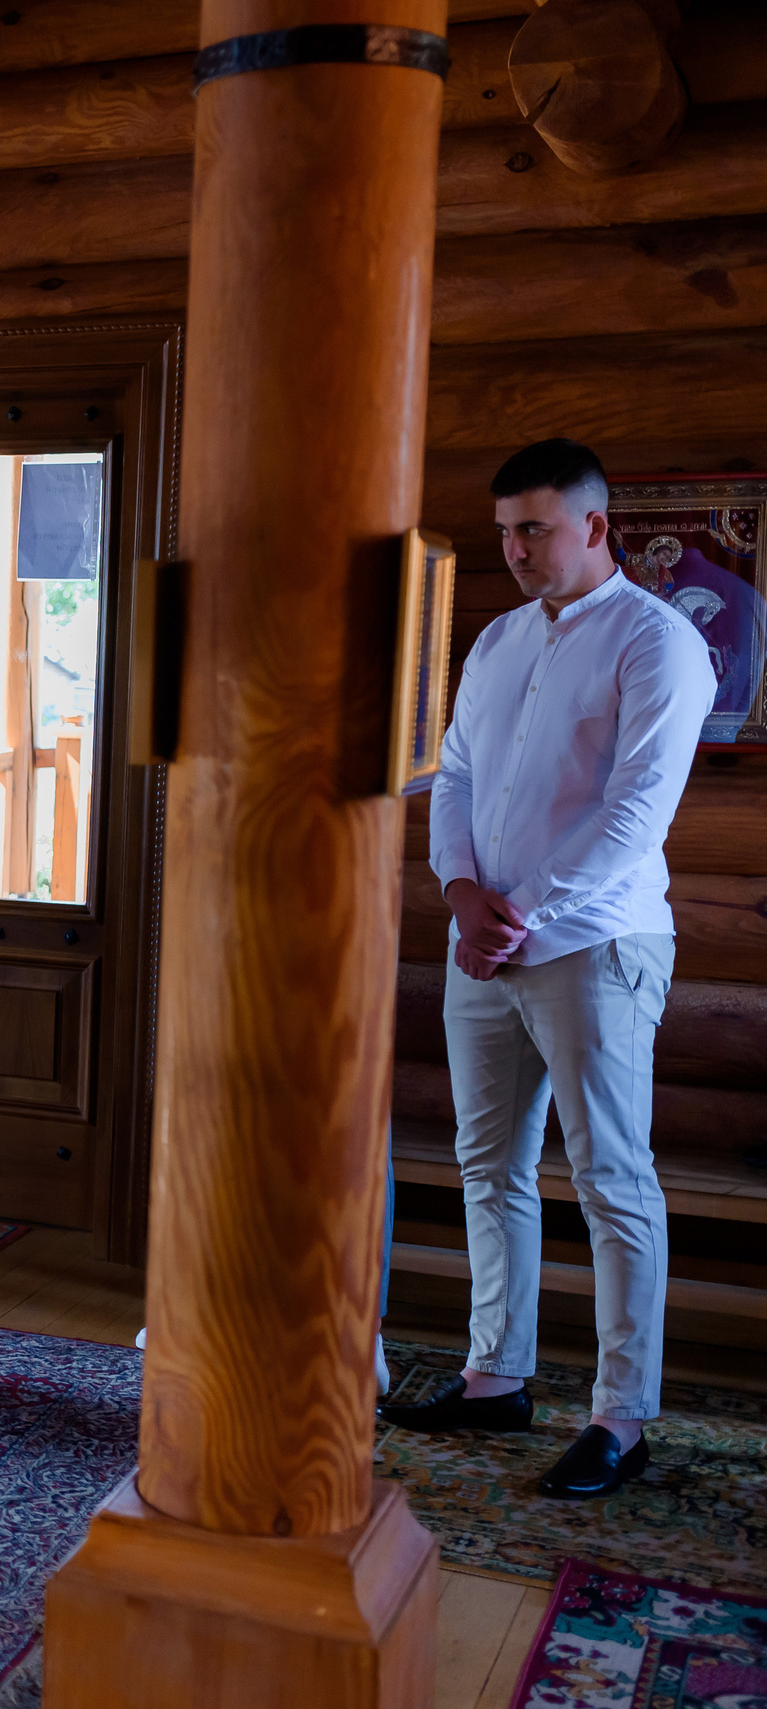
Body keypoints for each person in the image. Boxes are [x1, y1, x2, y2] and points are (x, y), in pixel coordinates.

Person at [377, 439, 712, 1500]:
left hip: (595, 944)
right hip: (483, 940)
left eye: (535, 527)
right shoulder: (495, 638)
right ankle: (495, 1375)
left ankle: (622, 1415)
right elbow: (457, 770)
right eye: (505, 530)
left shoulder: (657, 645)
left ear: (594, 527)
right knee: (489, 1166)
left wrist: (524, 907)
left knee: (611, 1178)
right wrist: (460, 891)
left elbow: (635, 809)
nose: (516, 548)